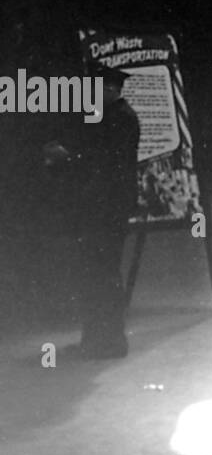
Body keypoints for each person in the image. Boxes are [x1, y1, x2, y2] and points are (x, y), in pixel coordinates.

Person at [42, 67, 140, 357]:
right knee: (98, 273)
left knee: (103, 273)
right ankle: (98, 339)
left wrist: (67, 159)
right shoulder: (113, 116)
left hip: (106, 207)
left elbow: (102, 163)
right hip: (103, 206)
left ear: (110, 89)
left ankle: (107, 342)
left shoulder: (119, 118)